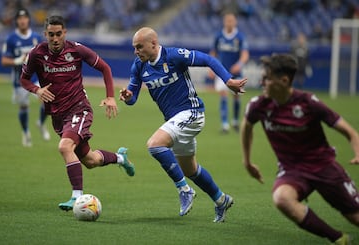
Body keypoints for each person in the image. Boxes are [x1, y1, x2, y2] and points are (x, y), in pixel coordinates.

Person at [120, 27, 246, 222]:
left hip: (192, 113)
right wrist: (127, 97)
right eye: (134, 47)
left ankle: (184, 190)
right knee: (189, 169)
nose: (136, 51)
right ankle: (221, 200)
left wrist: (227, 79)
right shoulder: (138, 66)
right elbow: (132, 97)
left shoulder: (174, 55)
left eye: (139, 47)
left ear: (153, 44)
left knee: (155, 145)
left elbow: (208, 60)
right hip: (175, 121)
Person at [241, 54, 359, 244]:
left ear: (284, 80)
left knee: (354, 217)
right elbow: (247, 127)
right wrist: (247, 162)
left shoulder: (308, 102)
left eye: (267, 78)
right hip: (292, 170)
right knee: (282, 198)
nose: (262, 82)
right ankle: (339, 239)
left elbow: (349, 131)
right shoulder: (258, 105)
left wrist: (357, 151)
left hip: (323, 166)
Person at [20, 15, 135, 211]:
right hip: (57, 115)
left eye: (58, 34)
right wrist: (37, 90)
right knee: (90, 160)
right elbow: (24, 79)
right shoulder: (36, 54)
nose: (55, 39)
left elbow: (105, 68)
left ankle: (77, 198)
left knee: (65, 147)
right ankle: (121, 158)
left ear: (64, 33)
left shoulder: (77, 49)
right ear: (45, 34)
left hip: (78, 108)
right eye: (51, 35)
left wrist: (110, 96)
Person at [1, 8, 50, 147]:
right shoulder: (11, 39)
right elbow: (4, 61)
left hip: (36, 77)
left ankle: (40, 123)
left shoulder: (35, 37)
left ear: (28, 20)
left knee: (47, 100)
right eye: (20, 19)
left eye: (25, 18)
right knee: (24, 107)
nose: (22, 21)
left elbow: (44, 54)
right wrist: (18, 60)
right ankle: (26, 132)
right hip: (20, 79)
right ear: (17, 21)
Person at [210, 12, 249, 133]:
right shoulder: (219, 36)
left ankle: (236, 121)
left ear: (235, 22)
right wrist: (211, 67)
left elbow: (245, 54)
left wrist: (239, 64)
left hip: (236, 73)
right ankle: (225, 124)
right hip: (222, 71)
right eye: (227, 20)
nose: (229, 23)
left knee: (236, 97)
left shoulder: (240, 37)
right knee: (223, 95)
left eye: (231, 20)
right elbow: (213, 52)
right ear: (224, 22)